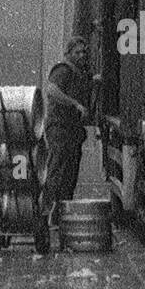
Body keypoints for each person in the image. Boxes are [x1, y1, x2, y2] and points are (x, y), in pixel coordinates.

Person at [41, 36, 92, 229]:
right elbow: (52, 90)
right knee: (57, 171)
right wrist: (75, 104)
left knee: (70, 174)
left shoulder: (80, 73)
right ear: (68, 53)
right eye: (77, 52)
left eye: (83, 52)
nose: (81, 56)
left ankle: (60, 216)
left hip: (73, 130)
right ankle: (45, 213)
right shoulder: (63, 70)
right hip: (59, 128)